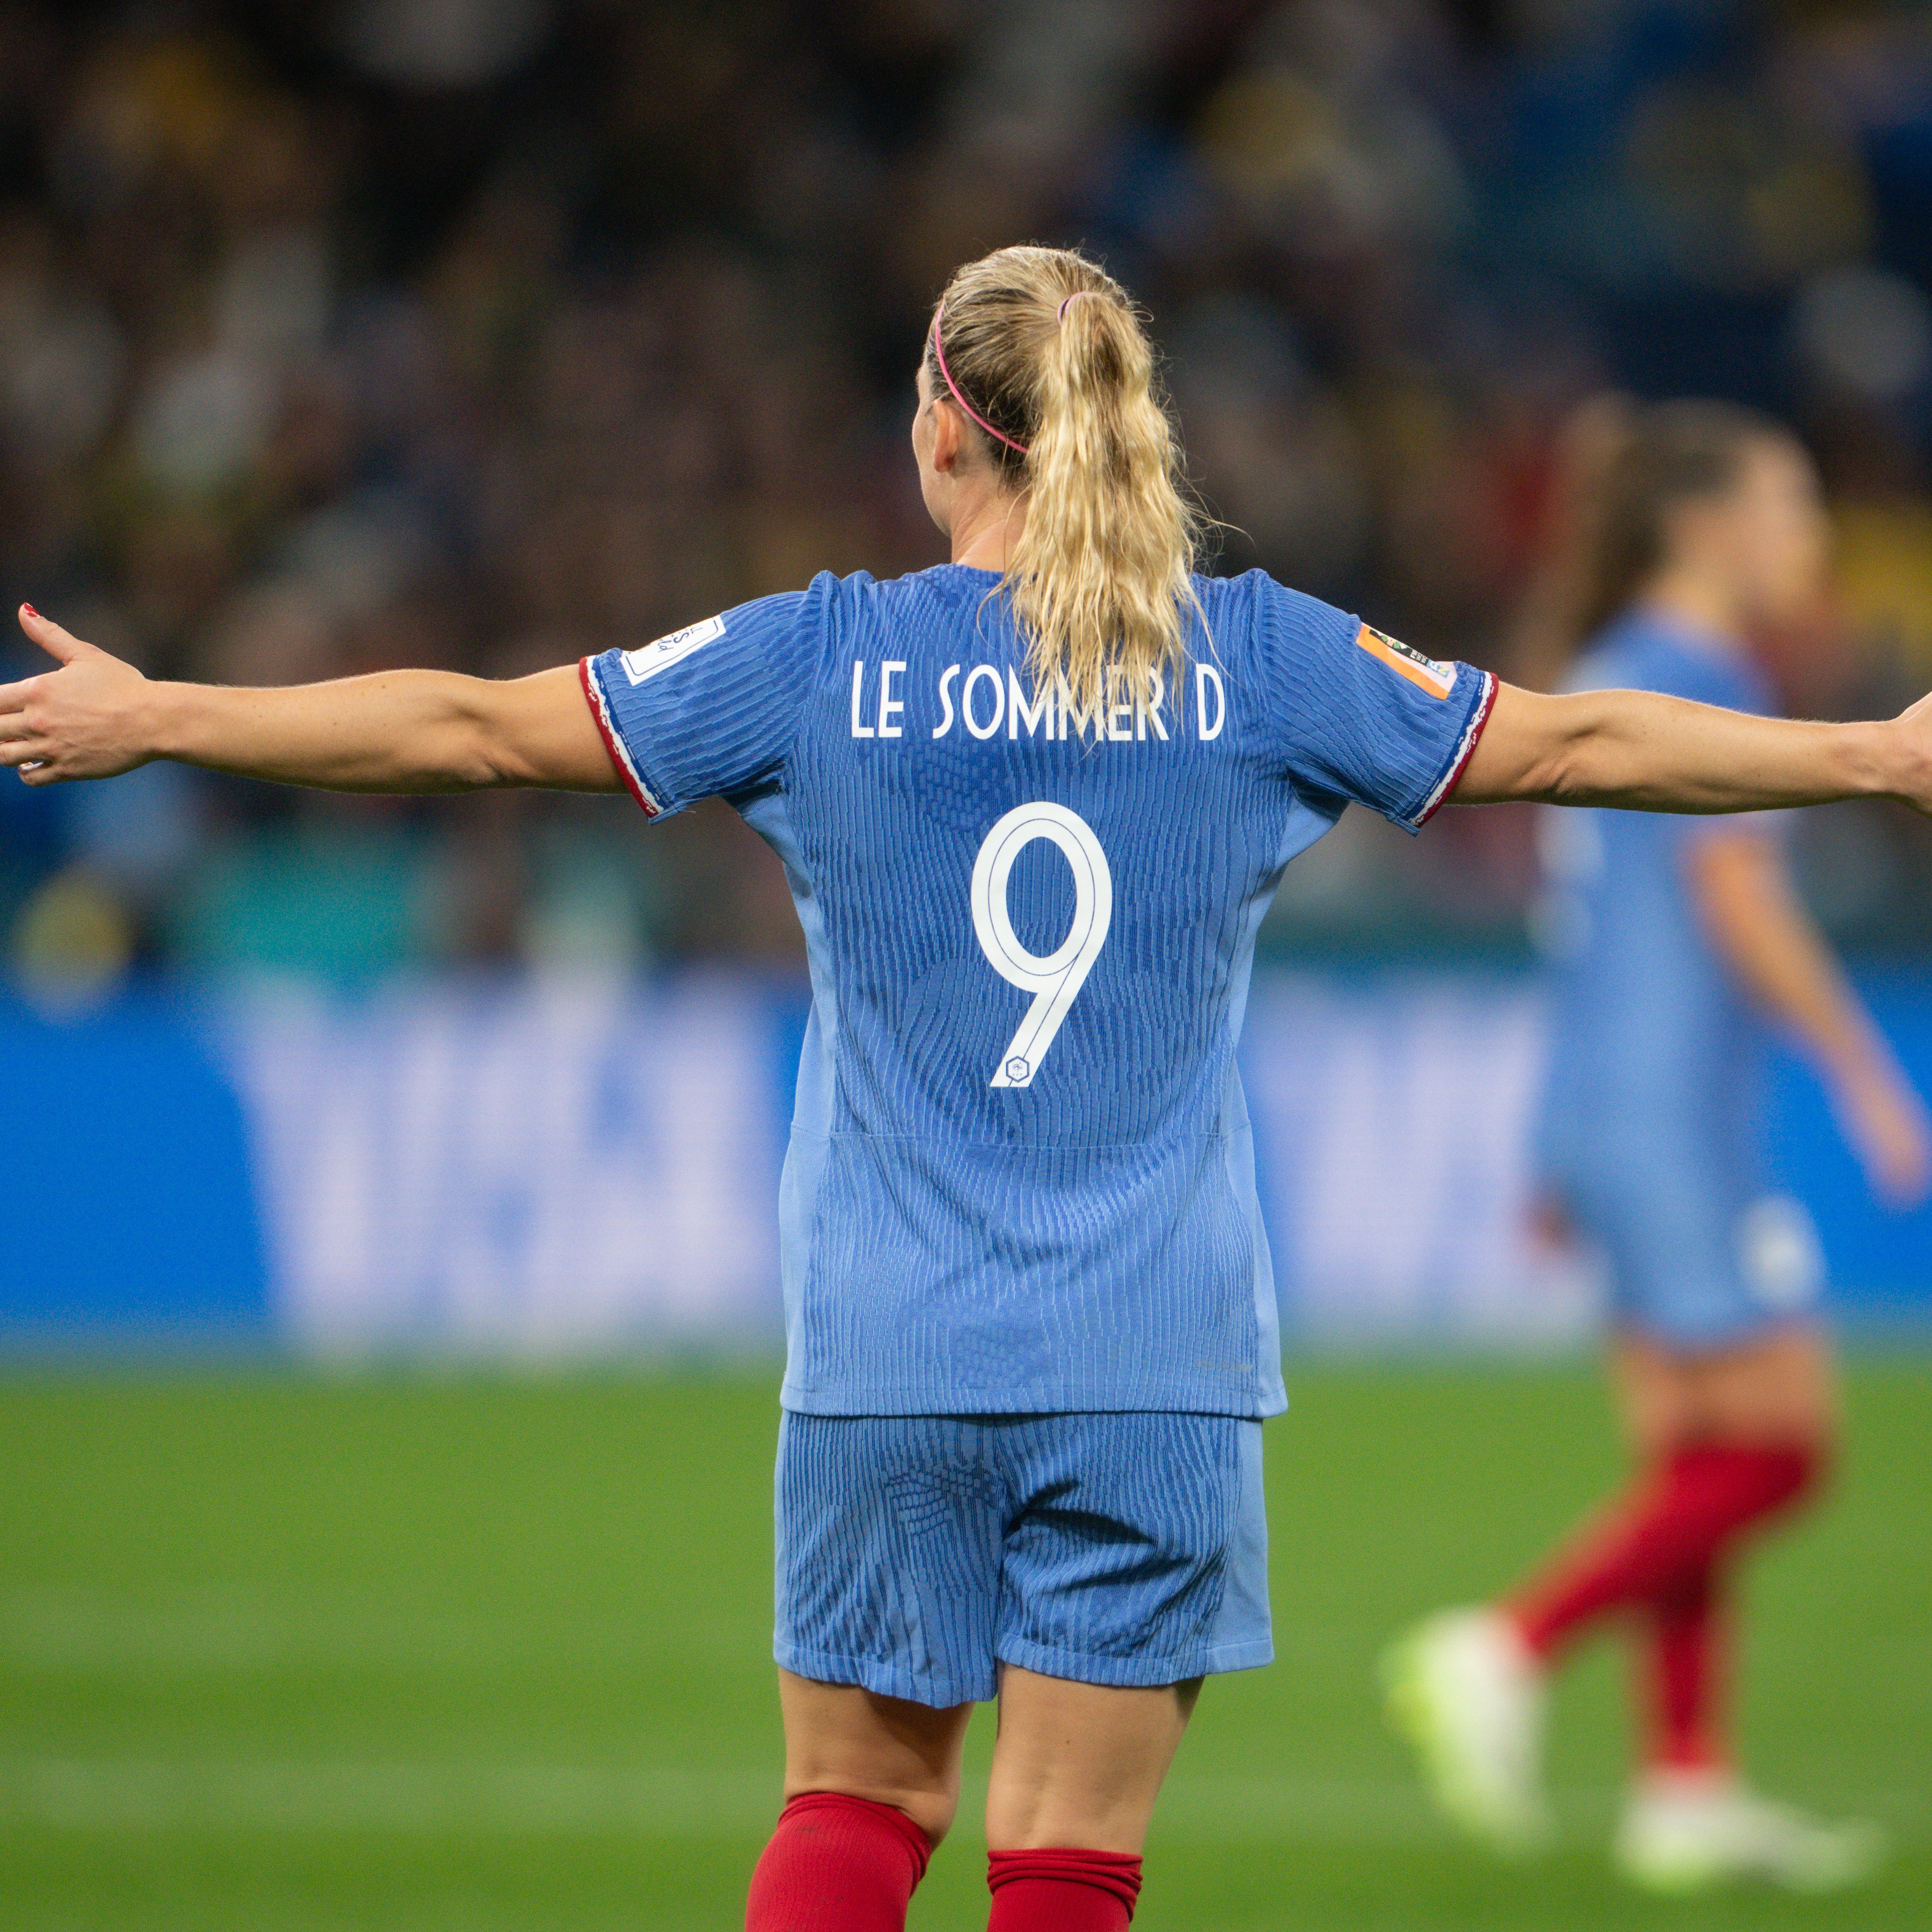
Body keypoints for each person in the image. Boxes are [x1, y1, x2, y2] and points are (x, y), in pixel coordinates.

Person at [8, 252, 1932, 1931]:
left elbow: (472, 725)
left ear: (945, 429)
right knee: (1067, 1855)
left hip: (888, 1346)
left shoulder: (817, 657)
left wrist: (160, 713)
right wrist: (1871, 754)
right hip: (1154, 1356)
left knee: (860, 1808)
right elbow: (1576, 736)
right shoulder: (1257, 655)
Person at [1384, 399, 1931, 1894]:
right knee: (1784, 1449)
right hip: (1679, 1118)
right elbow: (1736, 900)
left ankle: (1686, 1787)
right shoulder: (1692, 677)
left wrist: (1562, 1150)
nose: (1813, 540)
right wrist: (1868, 1072)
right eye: (1797, 506)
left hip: (1611, 1107)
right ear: (1715, 527)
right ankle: (1508, 1644)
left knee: (1692, 1456)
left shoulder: (1608, 676)